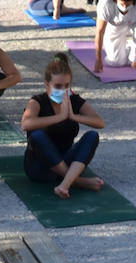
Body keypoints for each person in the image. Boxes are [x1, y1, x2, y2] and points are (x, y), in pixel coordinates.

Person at [20, 53, 106, 199]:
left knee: (92, 136)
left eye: (66, 86)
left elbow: (100, 123)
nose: (63, 90)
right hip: (40, 168)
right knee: (37, 135)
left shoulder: (74, 101)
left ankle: (65, 184)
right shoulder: (37, 101)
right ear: (47, 85)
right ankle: (77, 181)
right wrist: (59, 117)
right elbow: (26, 124)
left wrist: (73, 116)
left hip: (66, 160)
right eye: (58, 86)